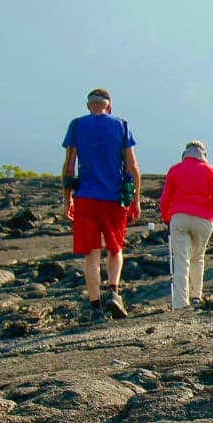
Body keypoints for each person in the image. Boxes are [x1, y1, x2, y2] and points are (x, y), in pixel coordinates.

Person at [62, 88, 141, 320]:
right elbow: (132, 166)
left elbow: (69, 166)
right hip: (114, 198)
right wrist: (135, 198)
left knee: (91, 253)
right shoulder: (121, 126)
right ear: (109, 105)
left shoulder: (77, 125)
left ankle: (95, 307)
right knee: (115, 249)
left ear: (89, 106)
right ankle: (114, 292)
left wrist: (67, 198)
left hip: (85, 197)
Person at [158, 140, 213, 310]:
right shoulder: (211, 171)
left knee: (181, 260)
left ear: (185, 153)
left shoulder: (174, 170)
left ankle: (180, 303)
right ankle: (196, 296)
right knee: (198, 257)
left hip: (179, 217)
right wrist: (210, 214)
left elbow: (165, 199)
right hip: (203, 219)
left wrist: (167, 217)